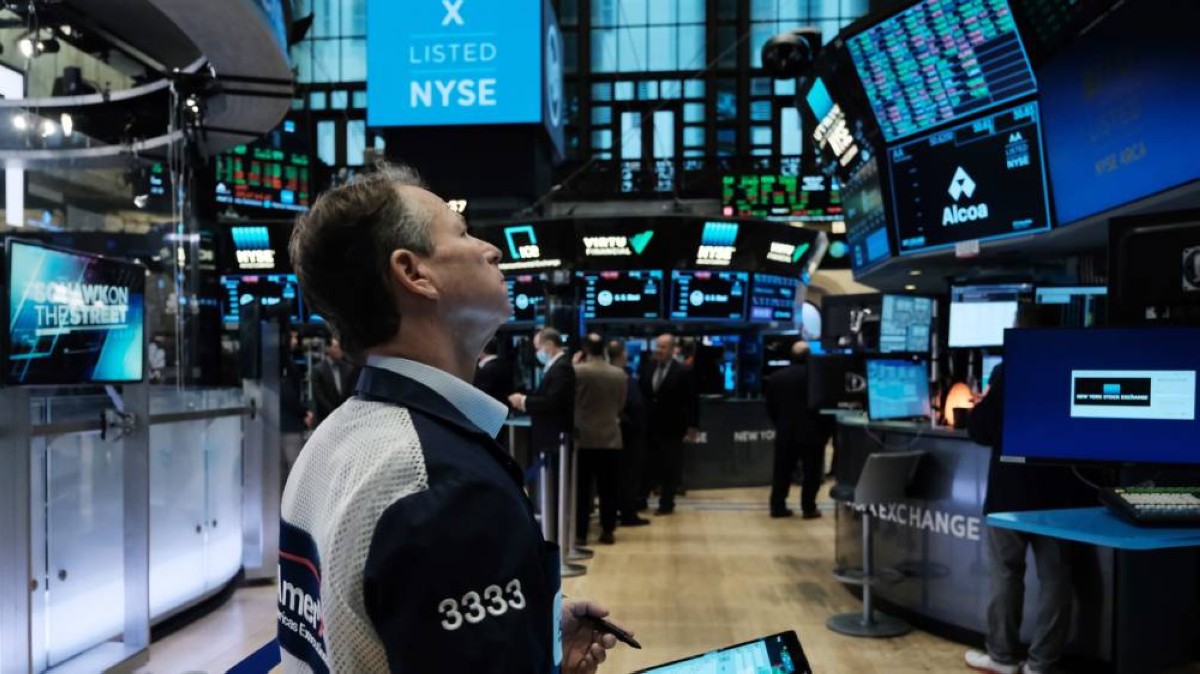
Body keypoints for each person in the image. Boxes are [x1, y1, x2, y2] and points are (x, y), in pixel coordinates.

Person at [281, 164, 622, 673]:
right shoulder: (442, 484)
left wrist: (528, 636)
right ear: (414, 273)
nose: (492, 249)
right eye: (462, 233)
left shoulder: (331, 440)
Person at [964, 302, 1094, 674]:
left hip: (1011, 492)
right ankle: (1042, 663)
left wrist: (981, 405)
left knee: (1006, 575)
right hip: (1062, 494)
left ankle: (1002, 657)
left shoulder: (1011, 369)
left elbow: (981, 429)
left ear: (1019, 329)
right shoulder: (1075, 367)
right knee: (1057, 580)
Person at [763, 341, 831, 519]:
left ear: (791, 357)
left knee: (782, 472)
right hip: (813, 433)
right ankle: (809, 508)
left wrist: (780, 424)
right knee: (812, 473)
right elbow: (827, 408)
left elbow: (770, 408)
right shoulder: (820, 378)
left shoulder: (776, 378)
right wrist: (826, 432)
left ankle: (777, 507)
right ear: (809, 356)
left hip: (786, 432)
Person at [573, 333, 628, 545]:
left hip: (583, 438)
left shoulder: (576, 372)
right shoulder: (619, 374)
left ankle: (580, 533)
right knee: (608, 489)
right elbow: (621, 405)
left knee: (582, 490)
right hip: (610, 438)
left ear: (585, 349)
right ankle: (607, 530)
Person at [638, 333, 699, 515]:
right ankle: (640, 500)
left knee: (670, 467)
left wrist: (692, 425)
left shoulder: (684, 371)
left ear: (673, 350)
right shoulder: (647, 367)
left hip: (672, 427)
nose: (659, 350)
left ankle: (666, 503)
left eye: (663, 347)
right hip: (649, 426)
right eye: (657, 346)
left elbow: (692, 400)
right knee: (646, 465)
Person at [509, 327, 575, 457]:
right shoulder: (554, 366)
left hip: (554, 436)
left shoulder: (562, 367)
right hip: (548, 435)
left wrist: (523, 401)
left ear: (549, 344)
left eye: (537, 348)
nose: (537, 353)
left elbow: (552, 401)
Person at [607, 340, 650, 527]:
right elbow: (635, 406)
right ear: (622, 354)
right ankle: (628, 513)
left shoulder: (608, 375)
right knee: (628, 476)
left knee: (616, 476)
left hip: (613, 432)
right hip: (628, 433)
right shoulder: (623, 378)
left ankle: (617, 511)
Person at [311, 336, 360, 428]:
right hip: (325, 418)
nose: (340, 351)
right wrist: (334, 413)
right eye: (336, 347)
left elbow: (352, 392)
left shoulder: (349, 369)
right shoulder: (318, 370)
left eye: (341, 348)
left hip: (346, 417)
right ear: (328, 349)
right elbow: (319, 396)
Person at [473, 337, 515, 408]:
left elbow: (480, 395)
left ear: (482, 350)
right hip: (504, 408)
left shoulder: (485, 370)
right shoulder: (505, 365)